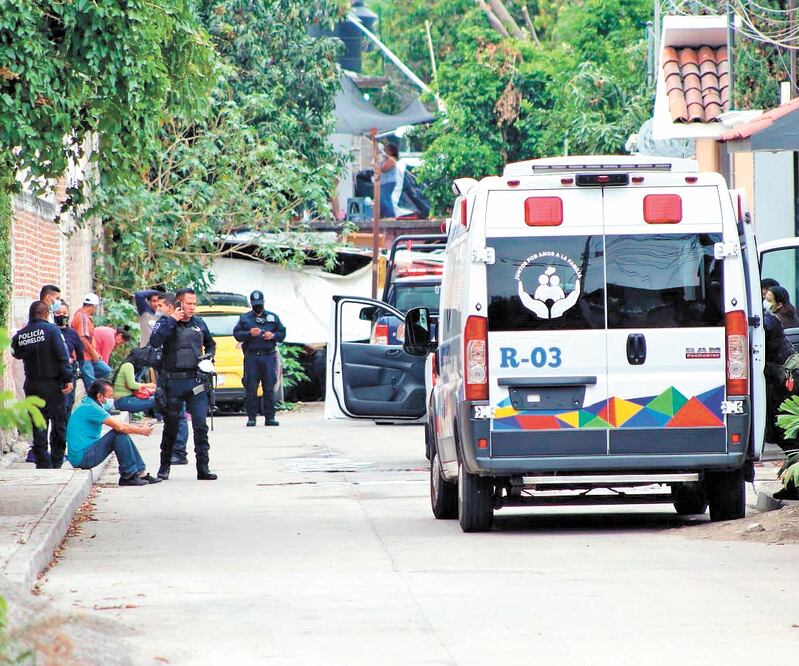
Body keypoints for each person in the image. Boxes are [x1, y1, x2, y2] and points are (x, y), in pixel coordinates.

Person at [149, 287, 217, 480]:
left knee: (200, 426)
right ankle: (164, 467)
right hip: (173, 383)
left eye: (194, 303)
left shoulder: (199, 323)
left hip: (196, 381)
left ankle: (203, 469)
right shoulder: (166, 322)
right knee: (171, 427)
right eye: (189, 303)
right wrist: (172, 320)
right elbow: (155, 341)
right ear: (179, 303)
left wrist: (209, 357)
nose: (193, 307)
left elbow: (211, 343)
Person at [11, 301, 73, 468]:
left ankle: (42, 462)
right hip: (53, 384)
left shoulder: (21, 334)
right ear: (46, 314)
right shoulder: (52, 331)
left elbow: (15, 353)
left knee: (38, 423)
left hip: (32, 384)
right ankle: (57, 459)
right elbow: (62, 355)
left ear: (31, 315)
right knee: (59, 423)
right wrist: (68, 378)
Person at [66, 380, 161, 486]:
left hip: (83, 454)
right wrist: (141, 431)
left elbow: (119, 424)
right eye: (110, 396)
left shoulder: (88, 403)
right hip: (83, 458)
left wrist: (137, 428)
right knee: (118, 433)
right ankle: (128, 475)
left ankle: (140, 473)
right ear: (100, 396)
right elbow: (119, 427)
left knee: (120, 432)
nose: (112, 399)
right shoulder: (91, 408)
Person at [233, 290, 286, 427]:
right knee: (251, 388)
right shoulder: (245, 318)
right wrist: (249, 334)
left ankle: (270, 417)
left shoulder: (273, 317)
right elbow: (237, 334)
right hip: (252, 357)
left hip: (268, 356)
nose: (258, 306)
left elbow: (282, 332)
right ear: (251, 304)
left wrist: (273, 335)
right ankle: (252, 417)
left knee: (269, 387)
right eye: (255, 304)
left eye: (260, 304)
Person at [149, 293, 191, 465]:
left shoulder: (186, 324)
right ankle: (173, 450)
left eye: (161, 306)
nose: (158, 309)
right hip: (165, 374)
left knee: (179, 414)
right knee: (169, 414)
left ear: (170, 306)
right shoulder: (165, 322)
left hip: (180, 376)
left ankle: (179, 452)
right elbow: (155, 340)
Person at [71, 293, 111, 389]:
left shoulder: (84, 316)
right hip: (84, 357)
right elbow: (82, 338)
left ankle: (83, 375)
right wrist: (93, 353)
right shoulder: (82, 317)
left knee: (105, 370)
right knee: (91, 386)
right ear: (94, 306)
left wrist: (94, 353)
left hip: (90, 356)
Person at [53, 302, 83, 418]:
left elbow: (80, 355)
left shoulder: (72, 334)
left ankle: (65, 433)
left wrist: (78, 370)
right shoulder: (50, 331)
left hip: (69, 374)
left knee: (68, 405)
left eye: (64, 313)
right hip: (53, 374)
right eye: (58, 313)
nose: (61, 315)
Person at [113, 348, 158, 414]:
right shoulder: (128, 365)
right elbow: (132, 385)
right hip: (122, 401)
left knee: (158, 395)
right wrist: (149, 385)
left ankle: (160, 418)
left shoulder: (130, 366)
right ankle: (161, 419)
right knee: (158, 400)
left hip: (127, 399)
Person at [379, 143, 399, 219]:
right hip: (384, 182)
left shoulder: (392, 159)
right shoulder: (385, 158)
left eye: (386, 150)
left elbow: (384, 169)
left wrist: (379, 164)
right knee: (382, 199)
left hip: (389, 181)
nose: (385, 151)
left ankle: (391, 216)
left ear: (391, 151)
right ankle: (384, 215)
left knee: (385, 198)